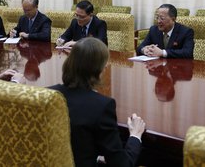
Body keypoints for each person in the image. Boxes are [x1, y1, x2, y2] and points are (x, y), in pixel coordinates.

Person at [49, 37, 145, 167]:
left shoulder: (48, 95)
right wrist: (135, 136)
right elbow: (122, 164)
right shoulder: (101, 106)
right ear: (99, 69)